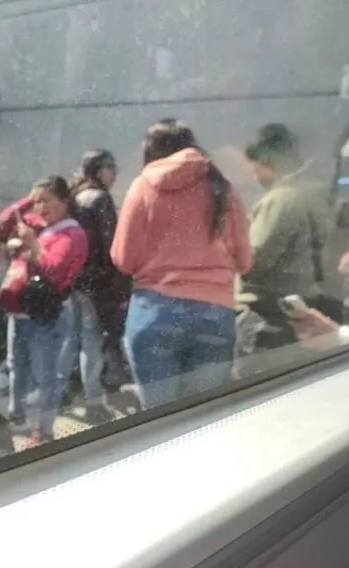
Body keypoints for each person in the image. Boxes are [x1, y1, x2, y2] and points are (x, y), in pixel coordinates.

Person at [112, 119, 251, 410]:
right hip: (215, 311)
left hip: (155, 311)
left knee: (160, 422)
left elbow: (124, 260)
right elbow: (244, 261)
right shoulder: (223, 188)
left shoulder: (143, 186)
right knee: (204, 418)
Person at [0, 176, 89, 446]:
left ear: (64, 201)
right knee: (16, 365)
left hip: (47, 316)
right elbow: (2, 223)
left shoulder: (73, 234)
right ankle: (17, 413)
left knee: (46, 374)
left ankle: (43, 429)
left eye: (46, 200)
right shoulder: (36, 224)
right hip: (20, 312)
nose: (39, 207)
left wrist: (33, 245)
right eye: (36, 202)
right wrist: (30, 197)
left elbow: (54, 271)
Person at [241, 124, 333, 347]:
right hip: (303, 307)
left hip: (270, 314)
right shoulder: (314, 193)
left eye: (254, 169)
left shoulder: (281, 199)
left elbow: (252, 263)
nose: (254, 178)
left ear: (268, 161)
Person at [67, 149, 127, 420]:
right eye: (110, 167)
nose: (114, 173)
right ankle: (94, 400)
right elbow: (111, 246)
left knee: (73, 339)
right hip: (96, 282)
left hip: (75, 281)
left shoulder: (76, 195)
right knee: (92, 340)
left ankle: (59, 396)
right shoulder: (100, 198)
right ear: (97, 170)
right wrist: (120, 285)